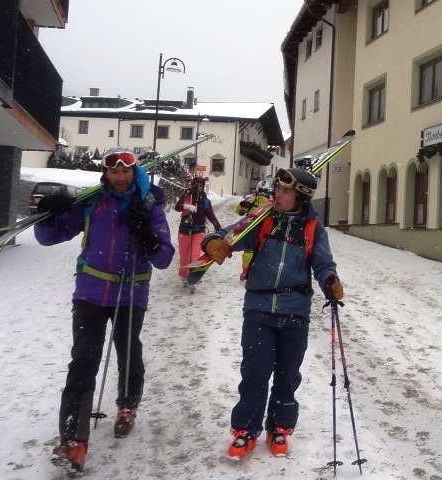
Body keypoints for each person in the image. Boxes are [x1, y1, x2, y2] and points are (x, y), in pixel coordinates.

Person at [35, 147, 175, 475]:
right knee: (83, 360)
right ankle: (73, 439)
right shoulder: (93, 202)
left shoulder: (149, 204)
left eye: (126, 171)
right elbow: (50, 237)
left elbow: (164, 258)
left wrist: (146, 235)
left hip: (131, 292)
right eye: (114, 171)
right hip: (91, 291)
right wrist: (48, 214)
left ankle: (127, 404)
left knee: (127, 350)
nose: (120, 177)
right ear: (106, 173)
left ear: (134, 172)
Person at [199, 167, 344, 460]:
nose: (278, 194)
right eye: (278, 189)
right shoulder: (262, 219)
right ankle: (245, 430)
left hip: (295, 310)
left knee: (288, 374)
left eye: (286, 191)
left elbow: (323, 263)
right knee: (255, 371)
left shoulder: (313, 229)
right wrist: (213, 241)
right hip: (259, 307)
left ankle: (279, 427)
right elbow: (230, 234)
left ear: (301, 197)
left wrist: (330, 280)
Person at [175, 176, 222, 287]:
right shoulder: (186, 196)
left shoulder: (205, 201)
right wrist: (187, 206)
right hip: (184, 231)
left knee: (195, 256)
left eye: (202, 186)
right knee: (184, 258)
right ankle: (184, 275)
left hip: (198, 231)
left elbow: (211, 215)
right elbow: (177, 207)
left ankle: (194, 278)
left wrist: (218, 228)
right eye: (198, 185)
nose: (200, 188)